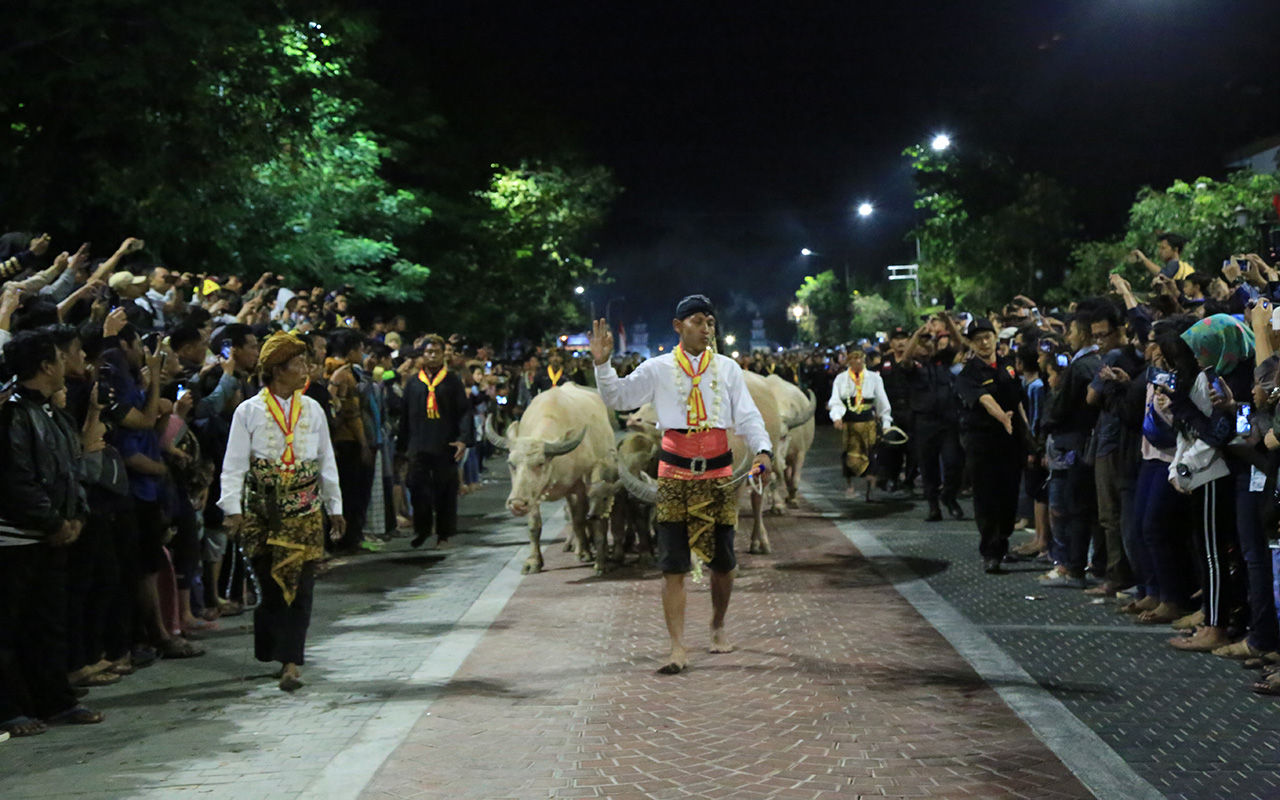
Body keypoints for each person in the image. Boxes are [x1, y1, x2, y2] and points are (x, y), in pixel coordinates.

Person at [591, 294, 772, 675]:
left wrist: (763, 451)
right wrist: (602, 364)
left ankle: (718, 624)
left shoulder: (727, 368)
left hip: (719, 474)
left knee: (723, 563)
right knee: (672, 565)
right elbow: (618, 397)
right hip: (673, 473)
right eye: (696, 322)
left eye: (709, 322)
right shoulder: (656, 368)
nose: (705, 329)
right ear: (678, 327)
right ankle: (676, 646)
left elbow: (748, 415)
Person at [219, 331, 344, 691]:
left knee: (302, 587)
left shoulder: (313, 409)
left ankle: (291, 662)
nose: (306, 368)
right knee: (272, 587)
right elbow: (234, 464)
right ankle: (273, 649)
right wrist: (232, 508)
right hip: (263, 512)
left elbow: (326, 462)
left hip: (304, 510)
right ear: (277, 370)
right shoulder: (249, 411)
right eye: (298, 363)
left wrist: (335, 506)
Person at [0, 329, 104, 736]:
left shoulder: (52, 413)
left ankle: (55, 701)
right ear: (45, 366)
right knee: (10, 628)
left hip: (53, 537)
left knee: (49, 624)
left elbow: (71, 466)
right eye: (62, 358)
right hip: (15, 541)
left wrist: (75, 515)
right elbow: (16, 481)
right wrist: (54, 521)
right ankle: (9, 708)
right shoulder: (12, 414)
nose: (67, 364)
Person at [955, 319, 1027, 573]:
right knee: (986, 497)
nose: (984, 343)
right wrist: (1002, 417)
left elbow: (1018, 400)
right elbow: (984, 399)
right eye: (978, 339)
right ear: (971, 344)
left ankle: (1002, 543)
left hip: (1010, 441)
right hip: (982, 442)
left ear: (995, 338)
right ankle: (990, 551)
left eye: (987, 337)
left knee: (1008, 497)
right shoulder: (967, 374)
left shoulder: (1008, 366)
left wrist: (1026, 433)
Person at [398, 334, 470, 549]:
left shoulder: (452, 381)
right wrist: (401, 449)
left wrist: (462, 440)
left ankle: (444, 534)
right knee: (418, 489)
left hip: (444, 442)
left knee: (445, 491)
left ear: (442, 355)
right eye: (428, 352)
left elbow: (464, 412)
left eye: (436, 352)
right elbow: (404, 417)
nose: (432, 356)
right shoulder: (413, 383)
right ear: (423, 355)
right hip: (418, 444)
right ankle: (421, 529)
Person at [827, 345, 892, 500]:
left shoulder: (874, 378)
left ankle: (870, 489)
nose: (857, 361)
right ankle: (850, 486)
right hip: (849, 421)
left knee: (871, 454)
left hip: (868, 421)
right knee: (848, 455)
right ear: (848, 360)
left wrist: (886, 422)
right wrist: (836, 416)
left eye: (860, 357)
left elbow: (882, 401)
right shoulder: (841, 379)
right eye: (854, 358)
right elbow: (836, 400)